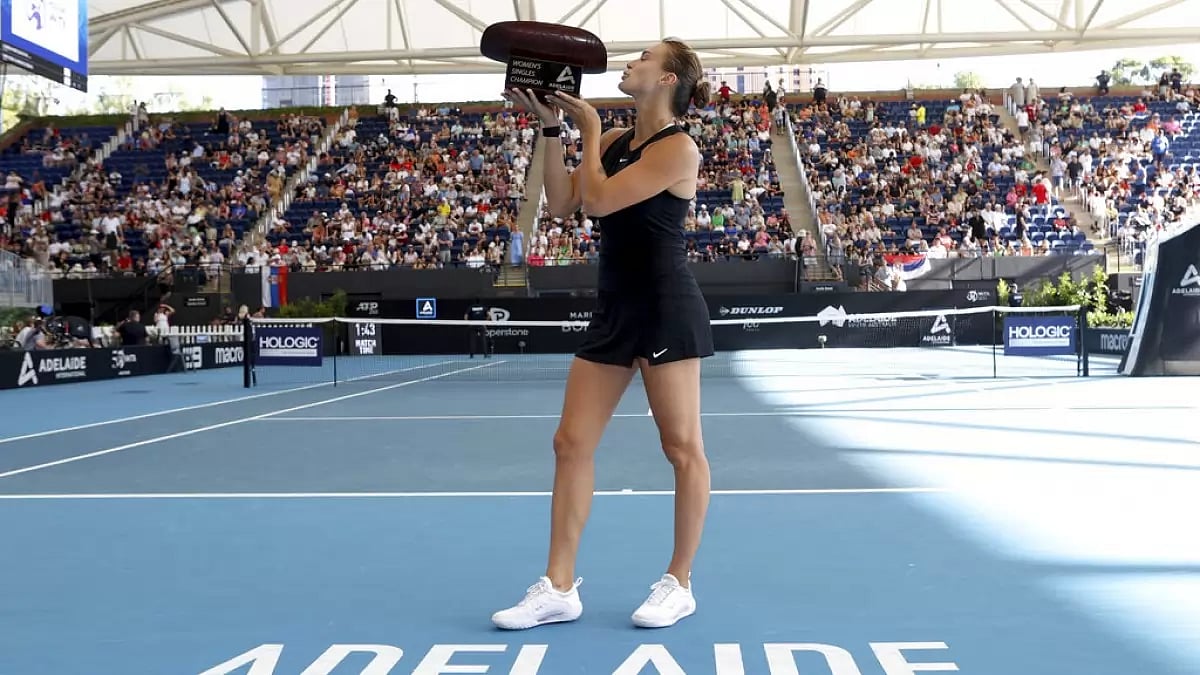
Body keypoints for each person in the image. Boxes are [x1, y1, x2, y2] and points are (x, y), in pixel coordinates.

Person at [492, 38, 713, 630]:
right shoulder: (615, 141)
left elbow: (598, 201)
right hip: (614, 308)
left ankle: (679, 582)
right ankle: (559, 587)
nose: (630, 62)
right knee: (570, 442)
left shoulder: (679, 148)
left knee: (682, 448)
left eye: (643, 58)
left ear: (667, 79)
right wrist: (551, 129)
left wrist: (587, 129)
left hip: (666, 308)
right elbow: (563, 202)